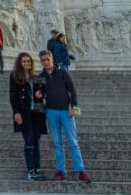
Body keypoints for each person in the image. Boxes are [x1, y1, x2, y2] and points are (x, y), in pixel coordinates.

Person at [38, 50, 90, 182]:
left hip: (66, 111)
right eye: (43, 60)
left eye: (47, 59)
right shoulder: (40, 76)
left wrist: (74, 107)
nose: (45, 62)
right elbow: (40, 94)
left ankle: (81, 171)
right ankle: (61, 171)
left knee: (73, 142)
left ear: (52, 59)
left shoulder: (62, 73)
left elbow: (72, 90)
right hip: (51, 112)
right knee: (57, 143)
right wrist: (38, 94)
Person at [9, 52, 47, 181]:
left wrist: (39, 94)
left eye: (28, 61)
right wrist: (16, 112)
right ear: (20, 63)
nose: (27, 63)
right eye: (24, 61)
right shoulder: (14, 76)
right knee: (29, 140)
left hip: (36, 113)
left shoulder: (35, 77)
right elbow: (12, 96)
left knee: (36, 141)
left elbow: (42, 91)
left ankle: (38, 168)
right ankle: (31, 170)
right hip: (23, 113)